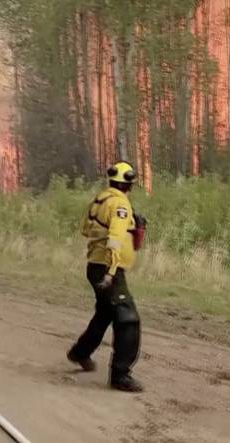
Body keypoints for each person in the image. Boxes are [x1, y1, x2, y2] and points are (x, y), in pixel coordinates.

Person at [67, 161, 145, 393]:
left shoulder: (99, 200)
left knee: (104, 314)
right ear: (129, 185)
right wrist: (111, 273)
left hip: (95, 265)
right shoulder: (120, 204)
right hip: (109, 269)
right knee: (128, 318)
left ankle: (80, 353)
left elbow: (85, 229)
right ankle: (121, 375)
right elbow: (115, 239)